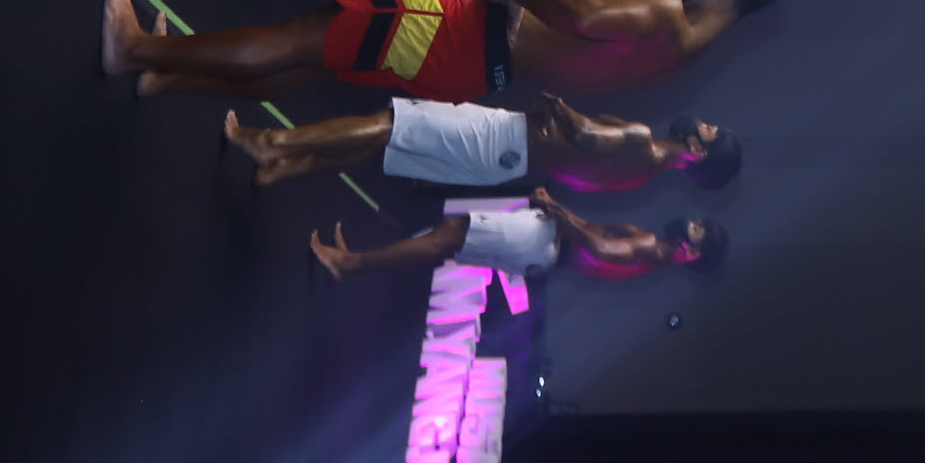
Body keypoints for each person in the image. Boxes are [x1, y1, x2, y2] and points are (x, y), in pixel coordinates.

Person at [96, 0, 772, 104]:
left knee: (304, 35)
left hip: (470, 33)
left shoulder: (668, 13)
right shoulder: (682, 57)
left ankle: (136, 49)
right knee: (314, 62)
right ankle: (169, 73)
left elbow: (586, 16)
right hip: (480, 72)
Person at [220, 92, 736, 194]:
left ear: (698, 151)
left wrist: (558, 106)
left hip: (503, 138)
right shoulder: (643, 176)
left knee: (389, 124)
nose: (705, 122)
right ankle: (286, 168)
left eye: (711, 130)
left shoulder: (644, 142)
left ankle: (270, 141)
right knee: (388, 146)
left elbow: (585, 137)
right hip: (503, 167)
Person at [306, 188, 721, 283]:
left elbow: (597, 246)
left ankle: (351, 263)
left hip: (543, 242)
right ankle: (355, 263)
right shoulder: (653, 254)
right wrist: (559, 208)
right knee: (444, 244)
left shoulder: (651, 246)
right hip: (543, 248)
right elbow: (595, 234)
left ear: (694, 251)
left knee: (450, 234)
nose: (691, 223)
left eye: (697, 230)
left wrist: (556, 209)